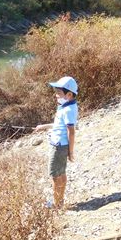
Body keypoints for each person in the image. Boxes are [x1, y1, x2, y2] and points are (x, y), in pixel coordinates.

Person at [33, 76, 79, 208]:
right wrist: (44, 126)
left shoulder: (68, 110)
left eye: (59, 93)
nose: (56, 95)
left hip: (59, 147)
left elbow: (71, 131)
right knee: (61, 173)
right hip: (60, 145)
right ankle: (60, 201)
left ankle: (56, 204)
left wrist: (70, 152)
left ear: (69, 94)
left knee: (55, 175)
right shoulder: (66, 106)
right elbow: (59, 125)